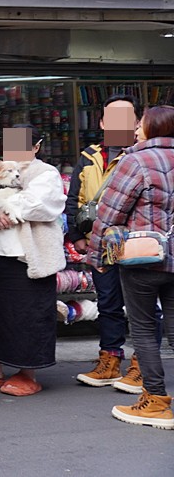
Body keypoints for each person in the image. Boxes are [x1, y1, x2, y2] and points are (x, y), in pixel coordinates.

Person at [0, 126, 67, 396]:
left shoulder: (46, 173)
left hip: (26, 256)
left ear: (36, 147)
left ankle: (27, 373)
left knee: (26, 314)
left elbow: (37, 203)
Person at [90, 105, 174, 430]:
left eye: (139, 124)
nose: (135, 129)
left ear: (152, 128)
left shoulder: (135, 159)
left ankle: (154, 401)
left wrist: (99, 256)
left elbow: (110, 212)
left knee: (142, 329)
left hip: (144, 258)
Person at [66, 95, 143, 389]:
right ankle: (110, 360)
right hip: (100, 244)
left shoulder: (141, 156)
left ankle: (141, 364)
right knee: (108, 303)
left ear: (137, 123)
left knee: (142, 307)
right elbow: (75, 200)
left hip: (136, 245)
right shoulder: (88, 157)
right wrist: (78, 238)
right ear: (101, 123)